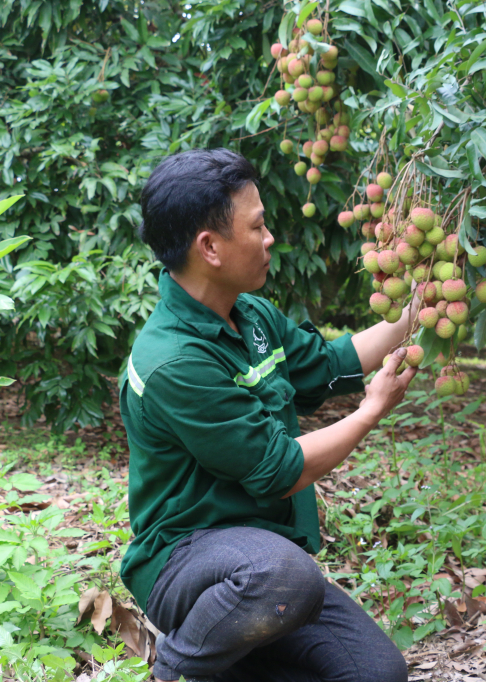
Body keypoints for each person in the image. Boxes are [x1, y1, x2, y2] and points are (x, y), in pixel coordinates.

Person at [117, 148, 419, 682]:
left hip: (263, 567)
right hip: (189, 563)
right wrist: (372, 410)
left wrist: (423, 306)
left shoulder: (250, 315)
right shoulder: (173, 362)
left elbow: (330, 365)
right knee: (284, 575)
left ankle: (232, 662)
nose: (270, 238)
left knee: (378, 674)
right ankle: (178, 667)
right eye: (257, 227)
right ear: (209, 247)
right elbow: (279, 469)